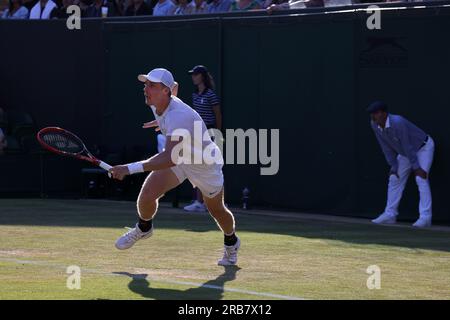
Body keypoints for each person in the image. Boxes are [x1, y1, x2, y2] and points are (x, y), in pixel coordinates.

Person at [109, 68, 240, 266]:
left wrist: (128, 168)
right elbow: (175, 88)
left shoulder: (178, 116)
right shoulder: (157, 102)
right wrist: (162, 120)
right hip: (181, 159)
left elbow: (169, 157)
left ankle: (231, 242)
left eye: (152, 85)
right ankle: (144, 228)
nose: (146, 89)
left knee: (217, 211)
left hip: (204, 164)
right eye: (146, 84)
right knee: (146, 196)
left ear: (165, 91)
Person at [368, 101, 435, 228]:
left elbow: (407, 145)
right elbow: (385, 147)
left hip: (423, 148)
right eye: (372, 114)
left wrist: (416, 167)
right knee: (394, 177)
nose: (373, 116)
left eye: (376, 113)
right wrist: (394, 165)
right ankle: (390, 215)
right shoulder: (374, 124)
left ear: (384, 113)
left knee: (421, 178)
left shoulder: (398, 122)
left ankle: (425, 217)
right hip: (405, 153)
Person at [183, 65, 222, 213]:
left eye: (196, 75)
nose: (193, 77)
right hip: (196, 134)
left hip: (210, 133)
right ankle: (199, 201)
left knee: (208, 167)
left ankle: (205, 202)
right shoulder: (195, 95)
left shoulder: (210, 95)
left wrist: (217, 134)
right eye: (192, 75)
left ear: (202, 76)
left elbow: (217, 115)